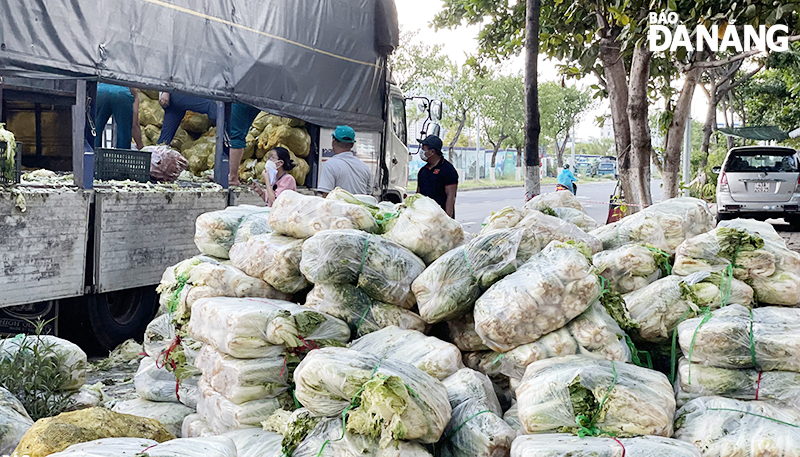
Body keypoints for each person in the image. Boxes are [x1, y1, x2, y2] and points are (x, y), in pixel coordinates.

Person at [317, 125, 371, 196]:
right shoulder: (365, 167)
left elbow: (326, 196)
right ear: (352, 145)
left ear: (333, 142)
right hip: (359, 207)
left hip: (337, 207)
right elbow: (368, 195)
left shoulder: (329, 165)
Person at [417, 135, 458, 218]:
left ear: (432, 152)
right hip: (425, 217)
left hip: (440, 218)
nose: (421, 151)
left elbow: (451, 196)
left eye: (423, 148)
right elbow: (418, 194)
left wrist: (447, 219)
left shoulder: (448, 170)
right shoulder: (423, 171)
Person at [94, 84, 143, 150]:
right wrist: (140, 146)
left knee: (94, 130)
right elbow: (134, 123)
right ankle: (122, 156)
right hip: (122, 95)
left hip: (100, 92)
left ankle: (92, 155)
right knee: (124, 133)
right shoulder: (133, 90)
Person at [227, 102, 261, 186]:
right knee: (233, 133)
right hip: (252, 96)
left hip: (241, 96)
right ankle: (227, 174)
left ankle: (232, 177)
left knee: (235, 135)